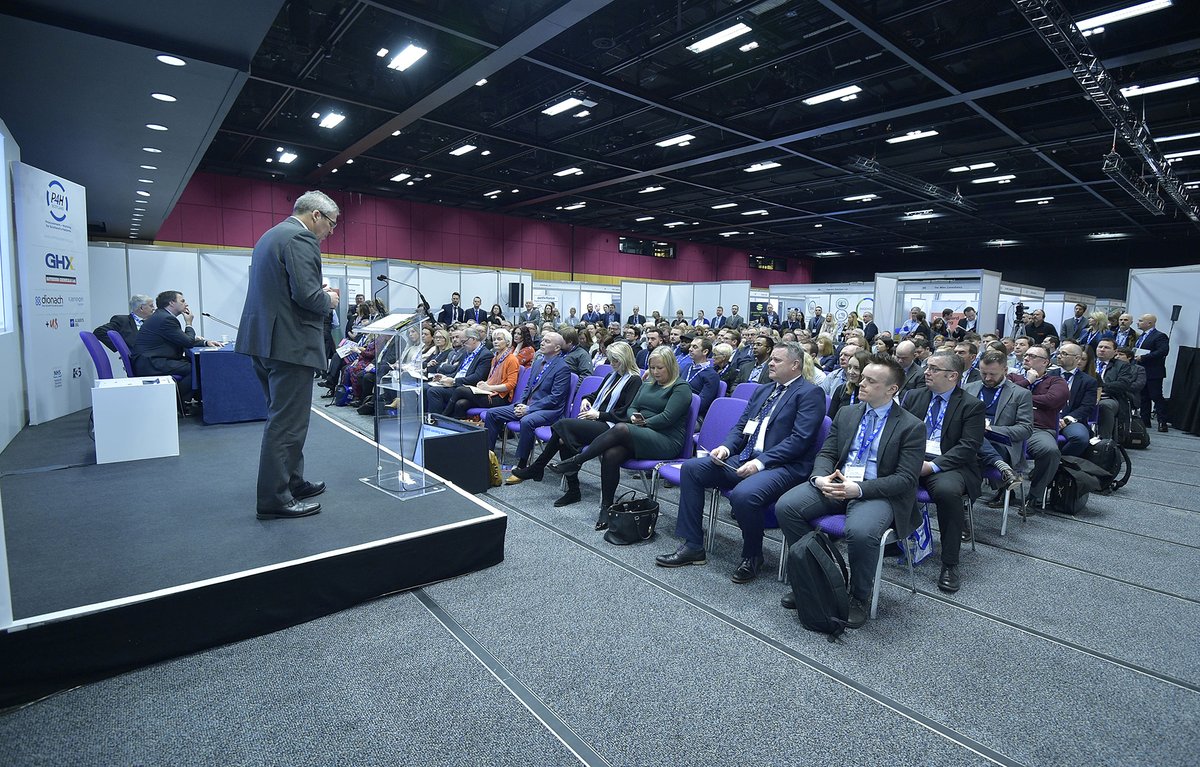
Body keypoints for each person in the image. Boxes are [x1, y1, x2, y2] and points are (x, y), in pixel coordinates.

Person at [774, 354, 926, 628]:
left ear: (892, 389)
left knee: (861, 532)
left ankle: (858, 596)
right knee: (787, 507)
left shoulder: (911, 426)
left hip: (876, 491)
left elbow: (904, 479)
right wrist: (820, 478)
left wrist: (859, 489)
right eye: (861, 377)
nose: (860, 383)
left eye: (870, 380)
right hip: (837, 483)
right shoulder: (847, 413)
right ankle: (816, 580)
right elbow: (827, 452)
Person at [657, 341, 826, 580]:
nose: (771, 363)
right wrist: (725, 448)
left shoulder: (810, 393)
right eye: (772, 359)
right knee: (693, 468)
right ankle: (693, 545)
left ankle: (753, 555)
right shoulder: (764, 390)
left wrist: (760, 463)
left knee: (744, 495)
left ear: (795, 365)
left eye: (777, 360)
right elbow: (741, 427)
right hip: (745, 458)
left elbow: (800, 440)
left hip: (784, 466)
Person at [235, 190, 340, 520]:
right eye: (332, 224)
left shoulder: (270, 236)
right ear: (316, 216)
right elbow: (308, 296)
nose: (331, 232)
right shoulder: (301, 238)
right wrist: (330, 301)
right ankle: (274, 498)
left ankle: (291, 481)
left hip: (265, 341)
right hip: (290, 345)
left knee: (282, 418)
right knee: (288, 424)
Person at [548, 346, 692, 529]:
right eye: (652, 367)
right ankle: (606, 508)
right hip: (641, 432)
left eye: (660, 368)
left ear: (671, 366)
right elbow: (633, 406)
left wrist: (640, 423)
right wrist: (633, 416)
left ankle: (576, 461)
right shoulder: (648, 384)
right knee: (611, 454)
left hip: (666, 440)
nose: (655, 372)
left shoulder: (681, 387)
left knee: (622, 427)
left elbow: (667, 418)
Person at [508, 341, 641, 502]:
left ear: (625, 359)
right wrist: (586, 399)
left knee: (563, 426)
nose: (612, 364)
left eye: (616, 361)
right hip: (597, 421)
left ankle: (539, 467)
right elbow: (595, 395)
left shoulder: (634, 380)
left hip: (612, 428)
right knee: (564, 439)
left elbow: (624, 412)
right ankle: (572, 489)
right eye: (611, 360)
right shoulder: (612, 376)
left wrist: (598, 414)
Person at [900, 351, 985, 593]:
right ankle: (893, 542)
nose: (926, 372)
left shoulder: (971, 405)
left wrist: (931, 466)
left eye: (934, 369)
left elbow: (968, 447)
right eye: (927, 367)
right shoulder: (913, 396)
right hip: (912, 457)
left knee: (948, 493)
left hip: (947, 463)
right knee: (879, 477)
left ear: (952, 376)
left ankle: (949, 562)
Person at [485, 331, 572, 472]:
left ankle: (522, 464)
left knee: (527, 421)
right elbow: (528, 387)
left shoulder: (563, 368)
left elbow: (555, 398)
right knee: (492, 413)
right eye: (543, 340)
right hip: (527, 406)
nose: (542, 343)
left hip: (549, 411)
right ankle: (488, 455)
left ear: (557, 348)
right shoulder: (538, 363)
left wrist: (529, 409)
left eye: (547, 341)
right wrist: (520, 403)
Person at [133, 290, 223, 402]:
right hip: (152, 363)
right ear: (171, 303)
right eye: (182, 301)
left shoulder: (161, 316)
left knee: (196, 363)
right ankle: (177, 403)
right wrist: (189, 323)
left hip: (152, 360)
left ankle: (195, 400)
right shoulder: (166, 319)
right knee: (195, 368)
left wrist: (205, 343)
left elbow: (180, 340)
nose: (186, 304)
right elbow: (188, 342)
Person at [1008, 345, 1068, 509]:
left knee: (1050, 451)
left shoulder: (1056, 381)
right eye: (1026, 355)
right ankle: (1004, 490)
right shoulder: (1014, 377)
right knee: (986, 442)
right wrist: (1028, 381)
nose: (1026, 357)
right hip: (1011, 427)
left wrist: (1022, 397)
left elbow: (1052, 400)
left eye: (1033, 356)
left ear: (1045, 362)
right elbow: (1005, 394)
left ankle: (1034, 495)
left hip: (1038, 429)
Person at [444, 328, 520, 418]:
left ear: (507, 342)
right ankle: (457, 429)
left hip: (501, 398)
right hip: (490, 392)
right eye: (494, 339)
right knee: (461, 404)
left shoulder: (512, 359)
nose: (495, 342)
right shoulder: (495, 358)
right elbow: (491, 378)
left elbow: (511, 384)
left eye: (499, 339)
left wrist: (489, 387)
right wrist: (484, 384)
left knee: (460, 390)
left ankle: (444, 416)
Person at [424, 327, 493, 414]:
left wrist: (454, 381)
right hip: (456, 382)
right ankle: (424, 418)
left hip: (465, 387)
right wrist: (445, 377)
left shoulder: (485, 355)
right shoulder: (466, 352)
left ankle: (437, 421)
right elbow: (458, 372)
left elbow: (477, 377)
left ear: (473, 339)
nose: (462, 344)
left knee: (434, 391)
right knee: (424, 387)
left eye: (464, 341)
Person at [1055, 343, 1098, 457]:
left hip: (1071, 420)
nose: (1059, 356)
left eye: (1064, 354)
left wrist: (1066, 420)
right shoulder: (1048, 375)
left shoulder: (1088, 381)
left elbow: (1087, 407)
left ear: (1077, 358)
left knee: (1080, 438)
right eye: (1059, 353)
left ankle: (1061, 463)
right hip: (1047, 419)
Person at [1093, 338, 1137, 441]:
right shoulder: (1088, 362)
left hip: (1110, 397)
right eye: (1100, 347)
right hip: (1087, 395)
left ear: (1115, 351)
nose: (1102, 350)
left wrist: (1100, 387)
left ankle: (1105, 441)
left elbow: (1123, 384)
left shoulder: (1122, 366)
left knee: (1104, 406)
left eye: (1106, 347)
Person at [1134, 313, 1170, 433]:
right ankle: (1145, 421)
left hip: (1154, 371)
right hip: (1141, 370)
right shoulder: (1141, 336)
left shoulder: (1160, 336)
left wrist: (1144, 357)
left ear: (1149, 323)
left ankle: (1162, 422)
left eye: (1140, 320)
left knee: (1156, 396)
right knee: (1144, 397)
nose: (1137, 322)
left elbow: (1163, 351)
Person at [680, 336, 720, 417]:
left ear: (705, 351)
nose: (690, 349)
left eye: (695, 347)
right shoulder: (688, 367)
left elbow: (701, 404)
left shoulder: (712, 375)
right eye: (691, 346)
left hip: (694, 415)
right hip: (678, 408)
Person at [827, 348, 868, 419]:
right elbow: (831, 418)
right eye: (849, 367)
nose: (850, 372)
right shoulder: (841, 390)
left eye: (856, 368)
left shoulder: (871, 394)